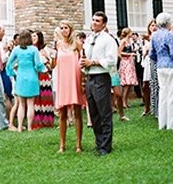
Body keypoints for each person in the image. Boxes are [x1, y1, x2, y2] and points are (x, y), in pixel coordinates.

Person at [80, 12, 118, 156]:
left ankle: (106, 146)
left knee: (104, 113)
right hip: (90, 78)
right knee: (94, 113)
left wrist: (94, 62)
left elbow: (111, 60)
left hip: (102, 78)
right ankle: (99, 142)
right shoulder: (89, 39)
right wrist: (83, 64)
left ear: (104, 24)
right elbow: (86, 57)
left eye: (98, 21)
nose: (94, 22)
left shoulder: (108, 40)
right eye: (93, 20)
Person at [53, 21, 86, 153]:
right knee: (63, 113)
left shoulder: (77, 43)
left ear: (70, 29)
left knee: (77, 112)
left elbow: (83, 60)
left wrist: (83, 79)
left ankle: (78, 145)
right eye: (61, 28)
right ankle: (62, 145)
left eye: (66, 28)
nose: (63, 30)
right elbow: (55, 63)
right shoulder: (58, 44)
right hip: (63, 80)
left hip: (75, 78)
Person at [6, 29, 46, 132]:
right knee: (30, 104)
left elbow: (9, 64)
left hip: (20, 77)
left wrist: (12, 73)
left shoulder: (16, 50)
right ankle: (29, 127)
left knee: (21, 104)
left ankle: (19, 127)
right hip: (32, 77)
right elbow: (38, 64)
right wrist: (44, 70)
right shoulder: (33, 50)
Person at [149, 12, 173, 130]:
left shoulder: (154, 36)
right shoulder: (170, 35)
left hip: (160, 67)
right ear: (169, 23)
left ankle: (162, 122)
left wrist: (160, 59)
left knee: (163, 94)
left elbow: (151, 54)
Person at [32, 31, 55, 129]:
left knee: (45, 98)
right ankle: (37, 120)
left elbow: (51, 65)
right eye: (31, 36)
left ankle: (47, 120)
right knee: (36, 98)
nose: (32, 37)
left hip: (44, 75)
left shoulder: (45, 50)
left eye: (34, 36)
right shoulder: (30, 49)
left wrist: (47, 59)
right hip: (33, 75)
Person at [118, 28, 138, 110]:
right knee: (126, 82)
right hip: (126, 63)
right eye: (131, 32)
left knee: (129, 83)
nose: (132, 34)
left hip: (130, 62)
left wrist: (133, 51)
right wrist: (130, 54)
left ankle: (126, 101)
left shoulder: (130, 41)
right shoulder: (123, 41)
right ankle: (123, 101)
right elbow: (119, 52)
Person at [146, 18, 159, 117]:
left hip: (157, 62)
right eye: (152, 25)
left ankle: (158, 109)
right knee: (150, 85)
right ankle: (152, 108)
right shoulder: (147, 39)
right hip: (147, 63)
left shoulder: (158, 37)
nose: (154, 27)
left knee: (157, 84)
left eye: (156, 25)